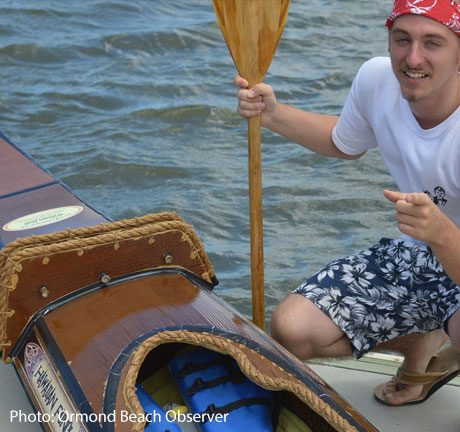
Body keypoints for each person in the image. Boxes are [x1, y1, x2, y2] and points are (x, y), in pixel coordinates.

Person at [234, 0, 460, 406]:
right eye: (402, 39)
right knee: (292, 330)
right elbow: (345, 141)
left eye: (433, 43)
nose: (413, 58)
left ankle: (451, 339)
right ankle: (421, 344)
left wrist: (441, 231)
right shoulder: (376, 78)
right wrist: (274, 114)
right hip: (418, 251)